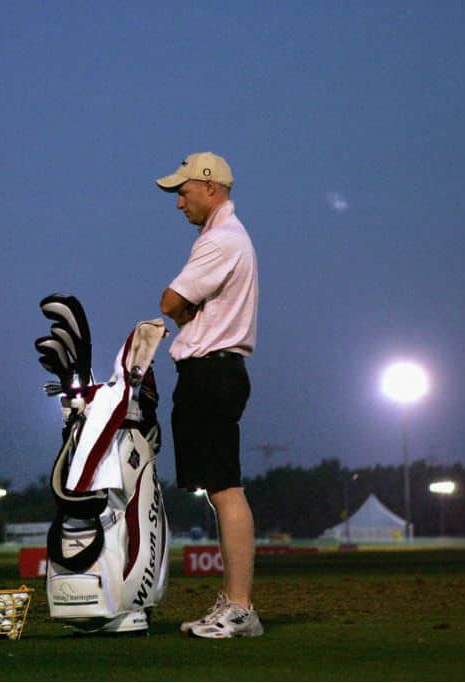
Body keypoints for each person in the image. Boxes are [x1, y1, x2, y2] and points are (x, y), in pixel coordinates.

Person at [155, 152, 263, 638]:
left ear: (210, 187)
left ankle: (241, 608)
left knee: (225, 488)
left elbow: (170, 301)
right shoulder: (222, 238)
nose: (179, 203)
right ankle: (233, 603)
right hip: (212, 372)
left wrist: (188, 322)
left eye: (184, 192)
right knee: (219, 490)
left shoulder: (220, 240)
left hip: (213, 374)